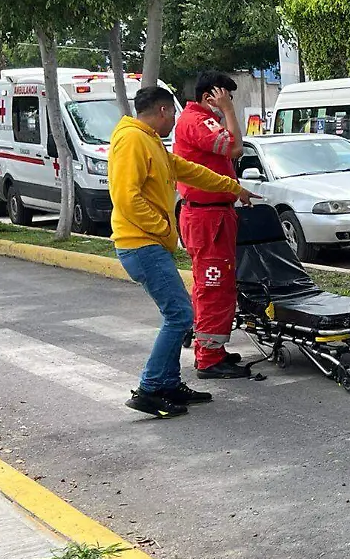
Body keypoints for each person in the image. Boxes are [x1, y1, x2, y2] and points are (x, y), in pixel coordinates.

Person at [110, 87, 258, 418]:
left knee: (179, 314)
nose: (174, 120)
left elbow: (189, 170)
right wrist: (164, 230)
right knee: (179, 315)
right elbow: (125, 196)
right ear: (162, 111)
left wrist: (233, 188)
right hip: (141, 244)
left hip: (149, 243)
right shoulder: (132, 140)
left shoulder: (149, 140)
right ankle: (149, 388)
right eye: (172, 114)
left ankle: (169, 383)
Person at [174, 71, 251, 379]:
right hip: (208, 218)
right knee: (214, 285)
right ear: (210, 96)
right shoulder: (199, 121)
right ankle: (208, 358)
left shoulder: (201, 121)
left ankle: (213, 350)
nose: (228, 103)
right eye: (226, 97)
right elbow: (235, 149)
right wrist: (229, 112)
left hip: (212, 214)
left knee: (215, 284)